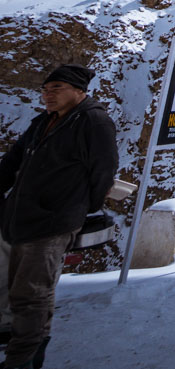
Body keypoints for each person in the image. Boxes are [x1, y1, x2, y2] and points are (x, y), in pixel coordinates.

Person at [0, 64, 118, 369]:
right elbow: (13, 161)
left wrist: (80, 207)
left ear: (78, 91)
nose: (47, 95)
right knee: (21, 290)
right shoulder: (45, 121)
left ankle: (20, 360)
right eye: (45, 90)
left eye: (56, 89)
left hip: (52, 221)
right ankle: (31, 351)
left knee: (31, 294)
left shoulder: (94, 121)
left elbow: (104, 170)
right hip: (21, 218)